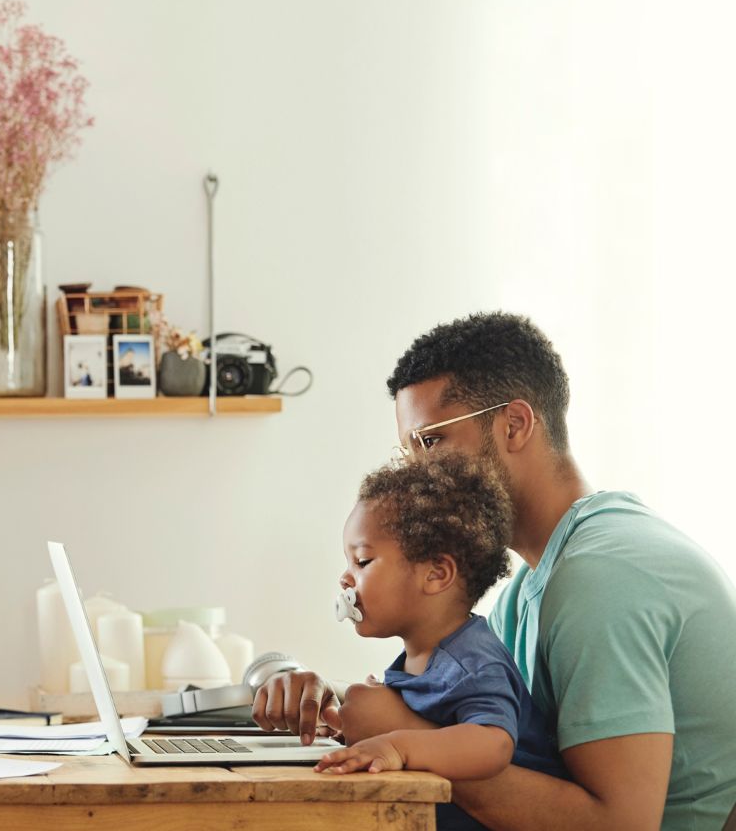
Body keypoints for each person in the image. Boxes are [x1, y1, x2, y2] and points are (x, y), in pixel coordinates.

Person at [254, 312, 736, 830]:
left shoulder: (602, 578)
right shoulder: (532, 583)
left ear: (515, 424)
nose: (417, 472)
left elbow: (618, 825)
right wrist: (336, 701)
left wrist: (402, 734)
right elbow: (489, 723)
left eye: (431, 442)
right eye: (407, 450)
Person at [314, 453, 568, 831]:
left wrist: (397, 744)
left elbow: (493, 744)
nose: (345, 579)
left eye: (363, 562)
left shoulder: (471, 661)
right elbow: (432, 725)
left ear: (436, 574)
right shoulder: (424, 656)